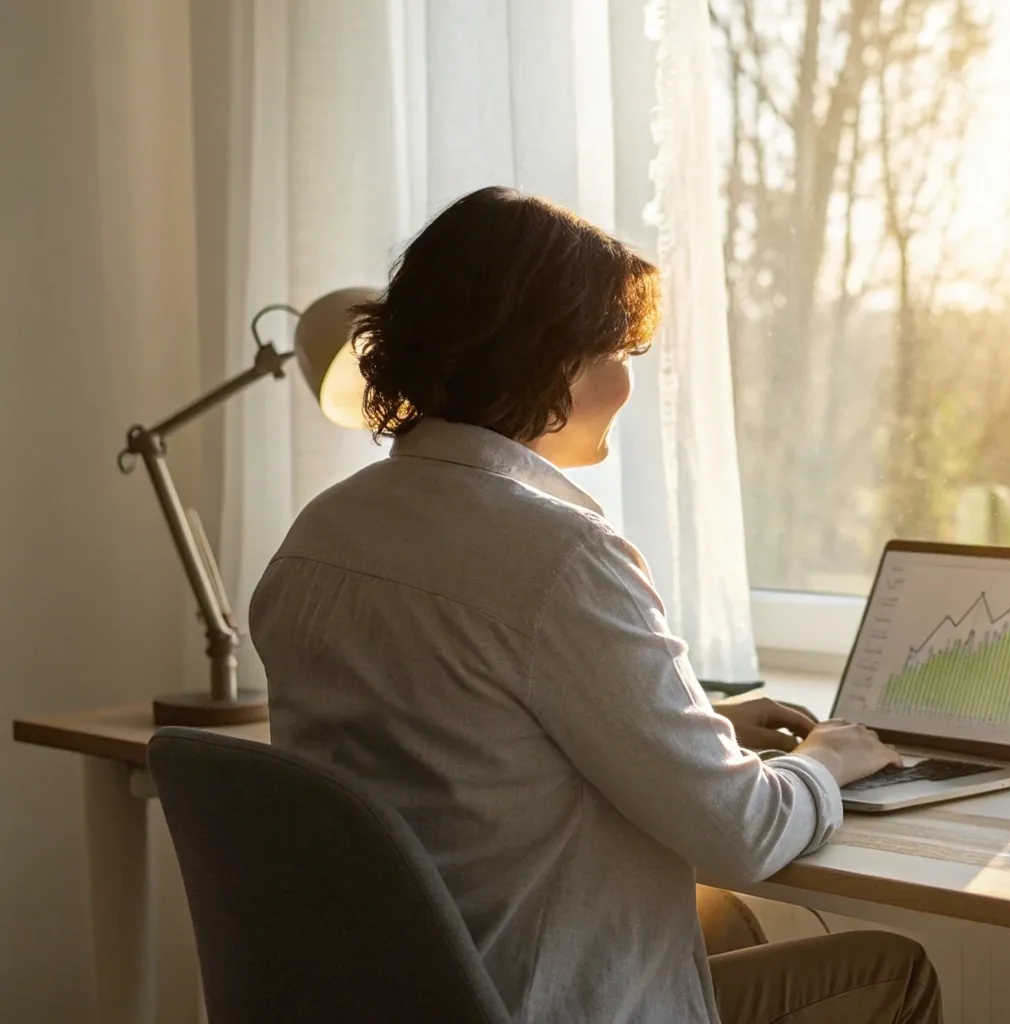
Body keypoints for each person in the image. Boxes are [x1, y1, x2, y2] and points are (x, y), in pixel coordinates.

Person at [250, 186, 942, 1024]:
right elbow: (744, 832)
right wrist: (829, 756)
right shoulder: (559, 557)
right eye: (617, 353)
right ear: (547, 362)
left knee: (723, 923)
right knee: (889, 971)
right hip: (531, 1001)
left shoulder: (320, 535)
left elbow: (469, 740)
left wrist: (705, 724)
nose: (625, 383)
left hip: (396, 994)